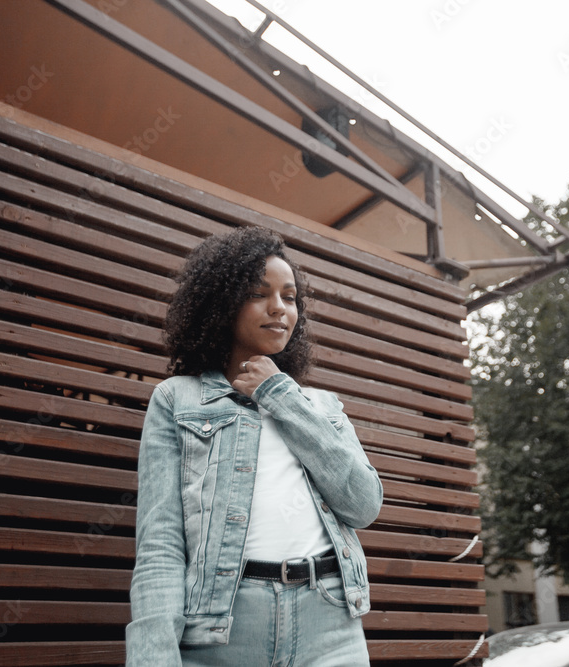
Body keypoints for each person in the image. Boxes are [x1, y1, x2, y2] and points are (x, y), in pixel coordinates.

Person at [126, 226, 383, 666]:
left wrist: (279, 395)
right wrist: (153, 658)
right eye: (259, 294)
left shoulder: (320, 406)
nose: (279, 308)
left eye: (290, 296)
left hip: (330, 625)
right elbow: (160, 546)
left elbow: (363, 504)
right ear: (223, 304)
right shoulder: (177, 399)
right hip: (222, 631)